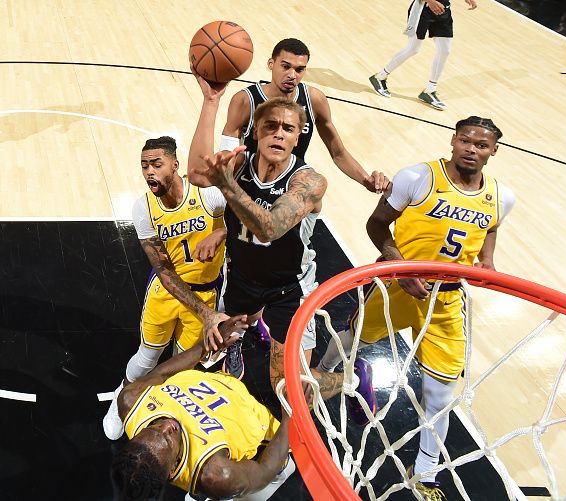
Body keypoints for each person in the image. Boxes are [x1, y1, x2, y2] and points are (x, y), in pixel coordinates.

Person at [318, 116, 515, 500]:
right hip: (396, 288)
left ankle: (425, 470)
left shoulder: (500, 196)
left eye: (481, 145)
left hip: (445, 301)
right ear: (454, 141)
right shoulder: (416, 177)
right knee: (351, 338)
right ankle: (321, 371)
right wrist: (399, 264)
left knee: (440, 395)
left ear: (493, 152)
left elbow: (490, 227)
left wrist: (487, 260)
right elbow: (376, 226)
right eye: (466, 141)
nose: (472, 149)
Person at [188, 72, 377, 426]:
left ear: (297, 137)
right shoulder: (240, 163)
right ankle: (241, 342)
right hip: (242, 274)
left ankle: (351, 379)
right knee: (221, 338)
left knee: (286, 387)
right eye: (270, 125)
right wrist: (211, 101)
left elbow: (270, 227)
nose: (278, 133)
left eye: (287, 129)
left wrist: (227, 186)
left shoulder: (309, 181)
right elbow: (198, 172)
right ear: (255, 131)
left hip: (288, 288)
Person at [221, 37, 390, 356]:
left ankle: (271, 327)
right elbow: (226, 154)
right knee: (246, 271)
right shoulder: (246, 100)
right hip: (248, 190)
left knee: (280, 263)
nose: (292, 75)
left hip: (290, 199)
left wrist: (366, 179)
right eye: (285, 66)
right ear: (271, 64)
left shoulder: (314, 99)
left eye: (300, 69)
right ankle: (247, 326)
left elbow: (337, 150)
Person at [103, 136, 232, 441]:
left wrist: (221, 232)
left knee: (184, 366)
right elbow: (162, 268)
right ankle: (119, 399)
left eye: (156, 164)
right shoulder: (143, 208)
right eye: (144, 166)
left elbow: (243, 225)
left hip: (206, 291)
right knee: (148, 355)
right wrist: (205, 313)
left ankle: (168, 415)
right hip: (167, 291)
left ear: (175, 165)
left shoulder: (209, 196)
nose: (149, 172)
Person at [110, 315, 298, 501]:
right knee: (271, 475)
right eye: (168, 438)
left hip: (221, 381)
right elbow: (264, 470)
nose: (167, 425)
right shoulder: (218, 473)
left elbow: (163, 372)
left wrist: (207, 346)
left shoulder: (131, 399)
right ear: (173, 468)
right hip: (261, 426)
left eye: (154, 427)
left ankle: (202, 493)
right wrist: (291, 414)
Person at [369, 0, 478, 110]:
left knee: (445, 51)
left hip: (443, 10)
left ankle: (430, 90)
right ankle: (380, 77)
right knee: (413, 49)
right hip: (423, 10)